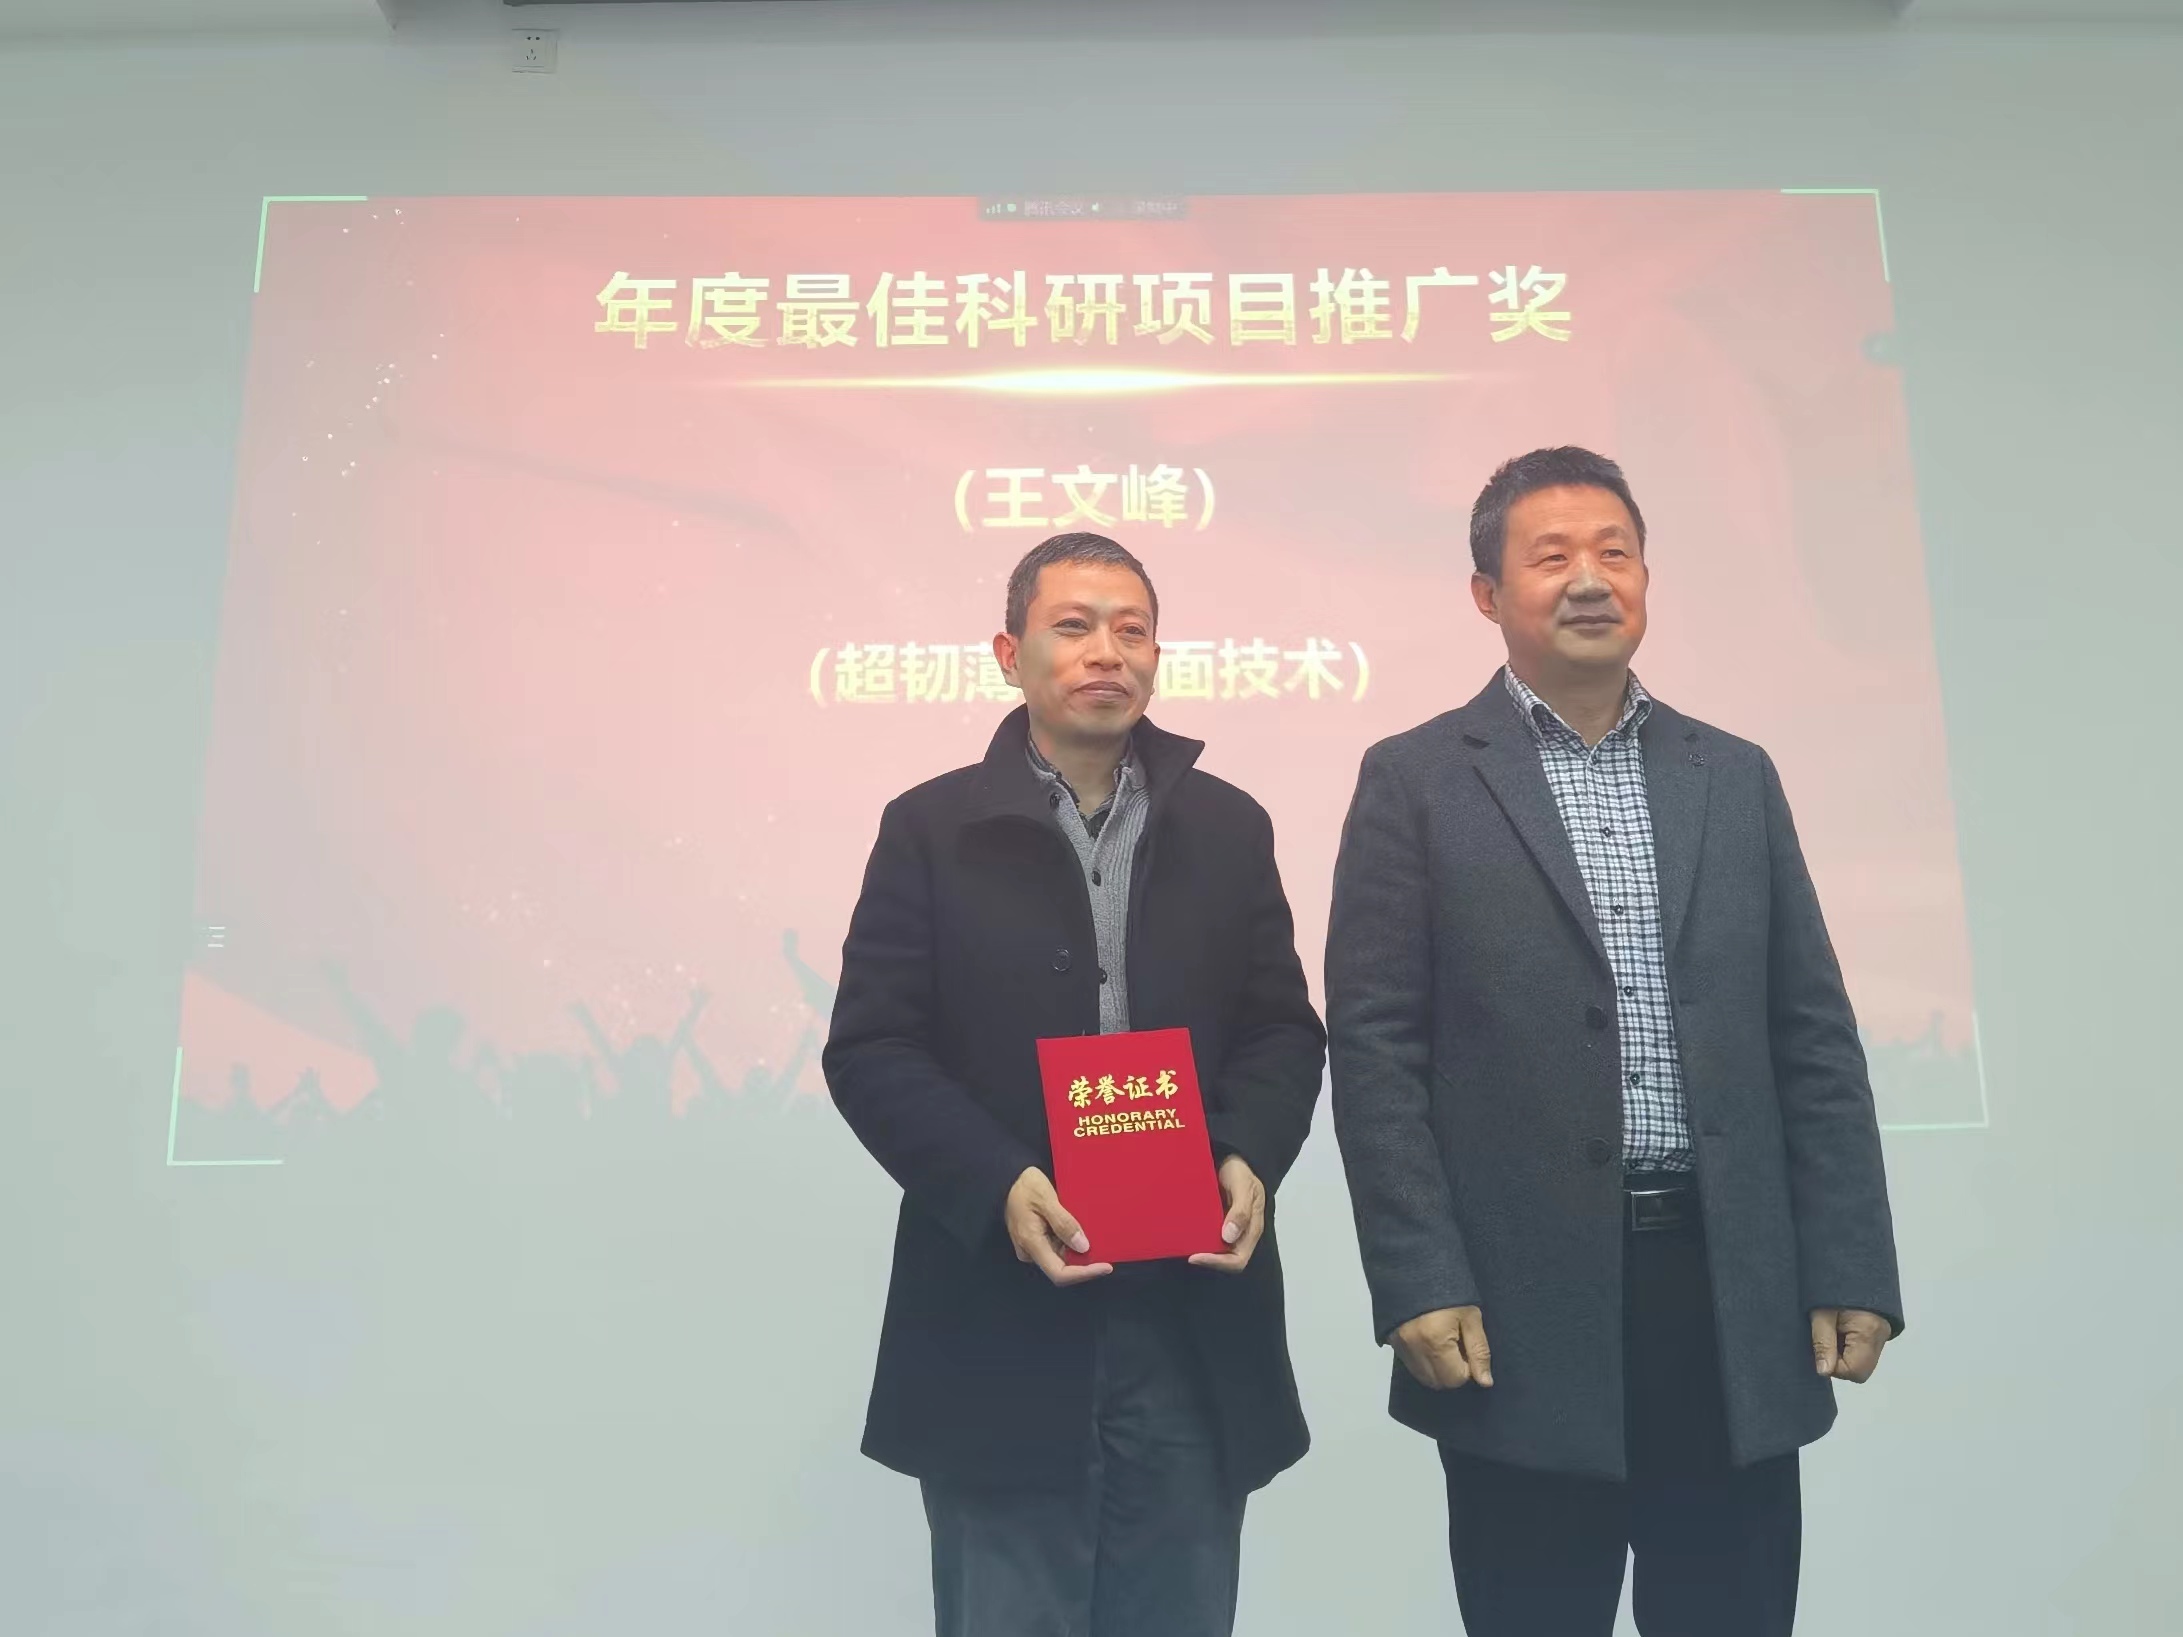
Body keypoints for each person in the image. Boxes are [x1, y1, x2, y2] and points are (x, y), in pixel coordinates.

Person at [1326, 447, 1903, 1636]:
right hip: (1518, 1310)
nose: (1589, 579)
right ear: (1486, 592)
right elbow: (1376, 1052)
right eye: (1550, 556)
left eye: (1614, 552)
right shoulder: (1415, 780)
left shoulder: (1730, 774)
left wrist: (1848, 1259)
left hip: (1725, 1292)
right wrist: (1417, 1276)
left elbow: (1810, 1034)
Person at [825, 532, 1326, 1637]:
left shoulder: (1228, 826)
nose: (1107, 650)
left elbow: (1282, 1029)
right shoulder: (929, 829)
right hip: (1000, 1313)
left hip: (1190, 1316)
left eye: (1131, 629)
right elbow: (872, 1048)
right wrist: (997, 1181)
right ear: (1009, 653)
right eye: (1073, 625)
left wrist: (1247, 1151)